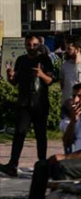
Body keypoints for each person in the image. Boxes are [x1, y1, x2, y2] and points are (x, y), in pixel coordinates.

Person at [0, 35, 55, 177]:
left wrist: (41, 74)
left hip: (40, 103)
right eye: (29, 44)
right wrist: (10, 76)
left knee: (40, 135)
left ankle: (42, 164)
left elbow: (50, 80)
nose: (31, 47)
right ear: (25, 44)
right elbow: (14, 82)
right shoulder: (21, 60)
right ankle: (13, 164)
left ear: (39, 45)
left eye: (34, 44)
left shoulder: (44, 59)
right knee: (19, 133)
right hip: (24, 102)